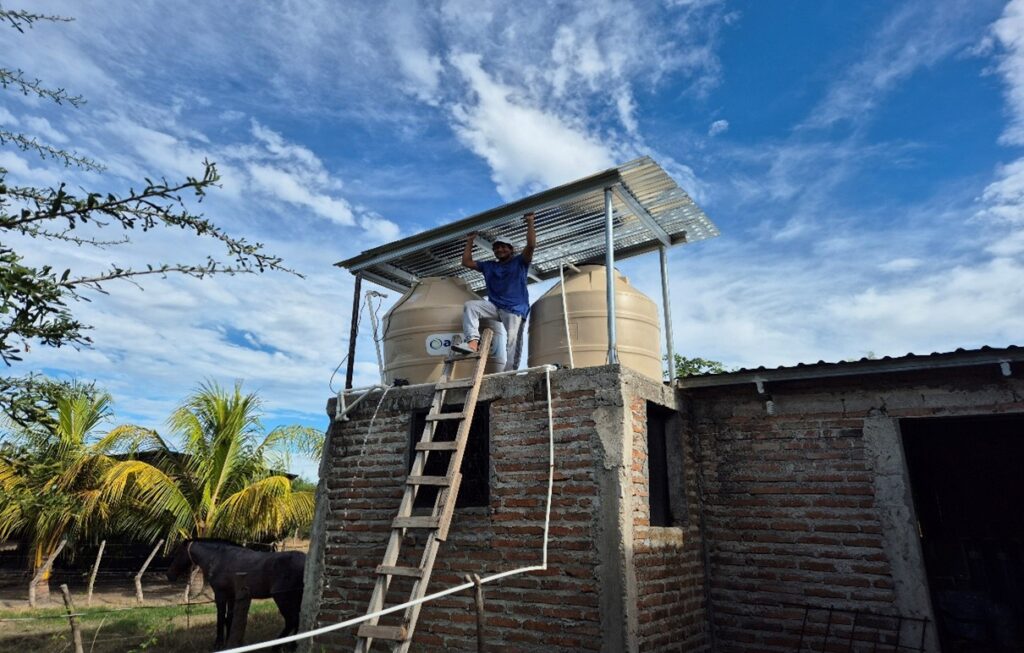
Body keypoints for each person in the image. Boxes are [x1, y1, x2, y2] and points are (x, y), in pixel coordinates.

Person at [452, 212, 536, 371]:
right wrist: (470, 240)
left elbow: (531, 245)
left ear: (511, 250)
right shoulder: (489, 266)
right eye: (497, 248)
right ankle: (472, 342)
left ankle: (508, 374)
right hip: (495, 307)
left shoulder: (520, 262)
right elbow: (466, 262)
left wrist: (530, 222)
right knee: (471, 306)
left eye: (504, 247)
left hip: (514, 310)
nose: (500, 250)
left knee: (512, 343)